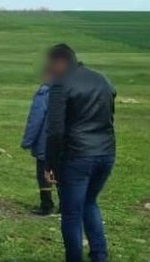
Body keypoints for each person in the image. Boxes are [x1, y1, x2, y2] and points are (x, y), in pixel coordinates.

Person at [44, 44, 117, 262]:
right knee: (90, 202)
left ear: (59, 62)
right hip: (106, 153)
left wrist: (50, 165)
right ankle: (99, 255)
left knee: (71, 213)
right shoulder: (102, 79)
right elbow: (109, 113)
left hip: (77, 156)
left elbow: (55, 130)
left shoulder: (61, 85)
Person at [21, 73, 54, 215]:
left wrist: (27, 141)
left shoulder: (45, 92)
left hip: (46, 140)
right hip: (69, 142)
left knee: (43, 172)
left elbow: (36, 118)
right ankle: (66, 205)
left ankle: (46, 205)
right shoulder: (72, 91)